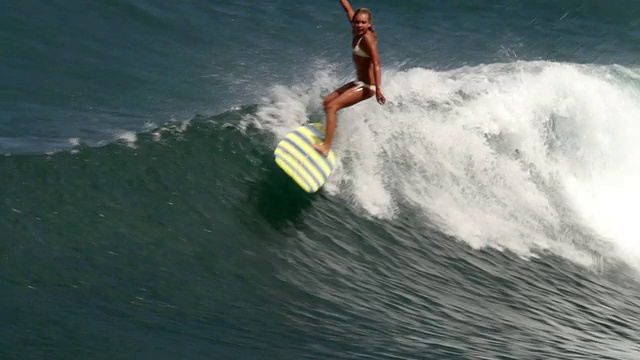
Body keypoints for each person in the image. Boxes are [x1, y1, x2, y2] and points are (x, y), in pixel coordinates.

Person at [312, 0, 386, 157]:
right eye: (357, 22)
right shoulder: (356, 31)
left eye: (363, 23)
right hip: (358, 82)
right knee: (327, 103)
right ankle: (331, 134)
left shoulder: (367, 38)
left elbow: (377, 63)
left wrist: (378, 89)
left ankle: (326, 147)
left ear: (369, 23)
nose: (359, 25)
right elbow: (347, 8)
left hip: (367, 87)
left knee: (333, 107)